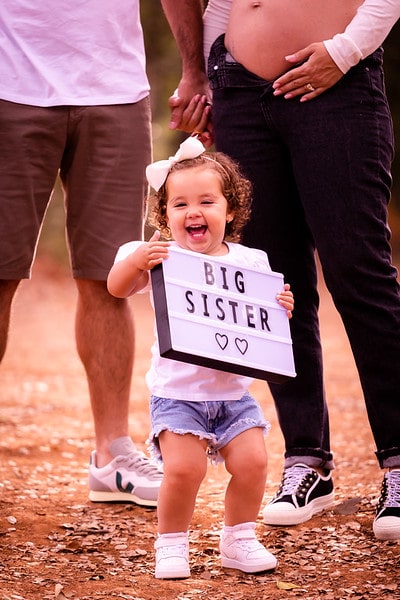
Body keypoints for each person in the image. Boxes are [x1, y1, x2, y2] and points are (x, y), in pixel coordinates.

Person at [167, 0, 400, 541]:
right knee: (275, 284)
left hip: (334, 84)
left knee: (359, 274)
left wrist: (343, 52)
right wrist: (215, 82)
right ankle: (307, 462)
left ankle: (397, 461)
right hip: (242, 94)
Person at [0, 1, 209, 507]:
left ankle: (113, 455)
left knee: (112, 275)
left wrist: (195, 69)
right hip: (10, 88)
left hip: (116, 92)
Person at [107, 136, 294, 579]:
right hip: (178, 395)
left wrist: (280, 304)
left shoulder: (252, 261)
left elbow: (265, 319)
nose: (193, 211)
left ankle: (239, 538)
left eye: (207, 201)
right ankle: (171, 544)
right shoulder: (160, 257)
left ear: (229, 210)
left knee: (253, 462)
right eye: (179, 204)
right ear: (165, 216)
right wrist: (137, 259)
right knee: (184, 470)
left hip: (233, 395)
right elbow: (115, 287)